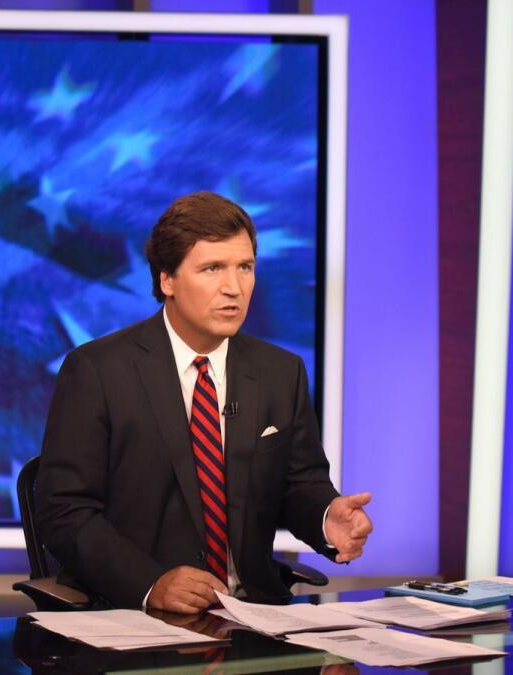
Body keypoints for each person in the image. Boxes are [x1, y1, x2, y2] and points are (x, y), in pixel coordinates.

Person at [35, 191, 372, 612]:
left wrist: (326, 516)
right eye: (212, 268)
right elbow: (64, 512)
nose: (234, 288)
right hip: (134, 613)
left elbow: (298, 484)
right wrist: (151, 584)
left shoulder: (280, 373)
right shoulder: (97, 371)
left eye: (245, 268)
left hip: (253, 612)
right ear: (167, 280)